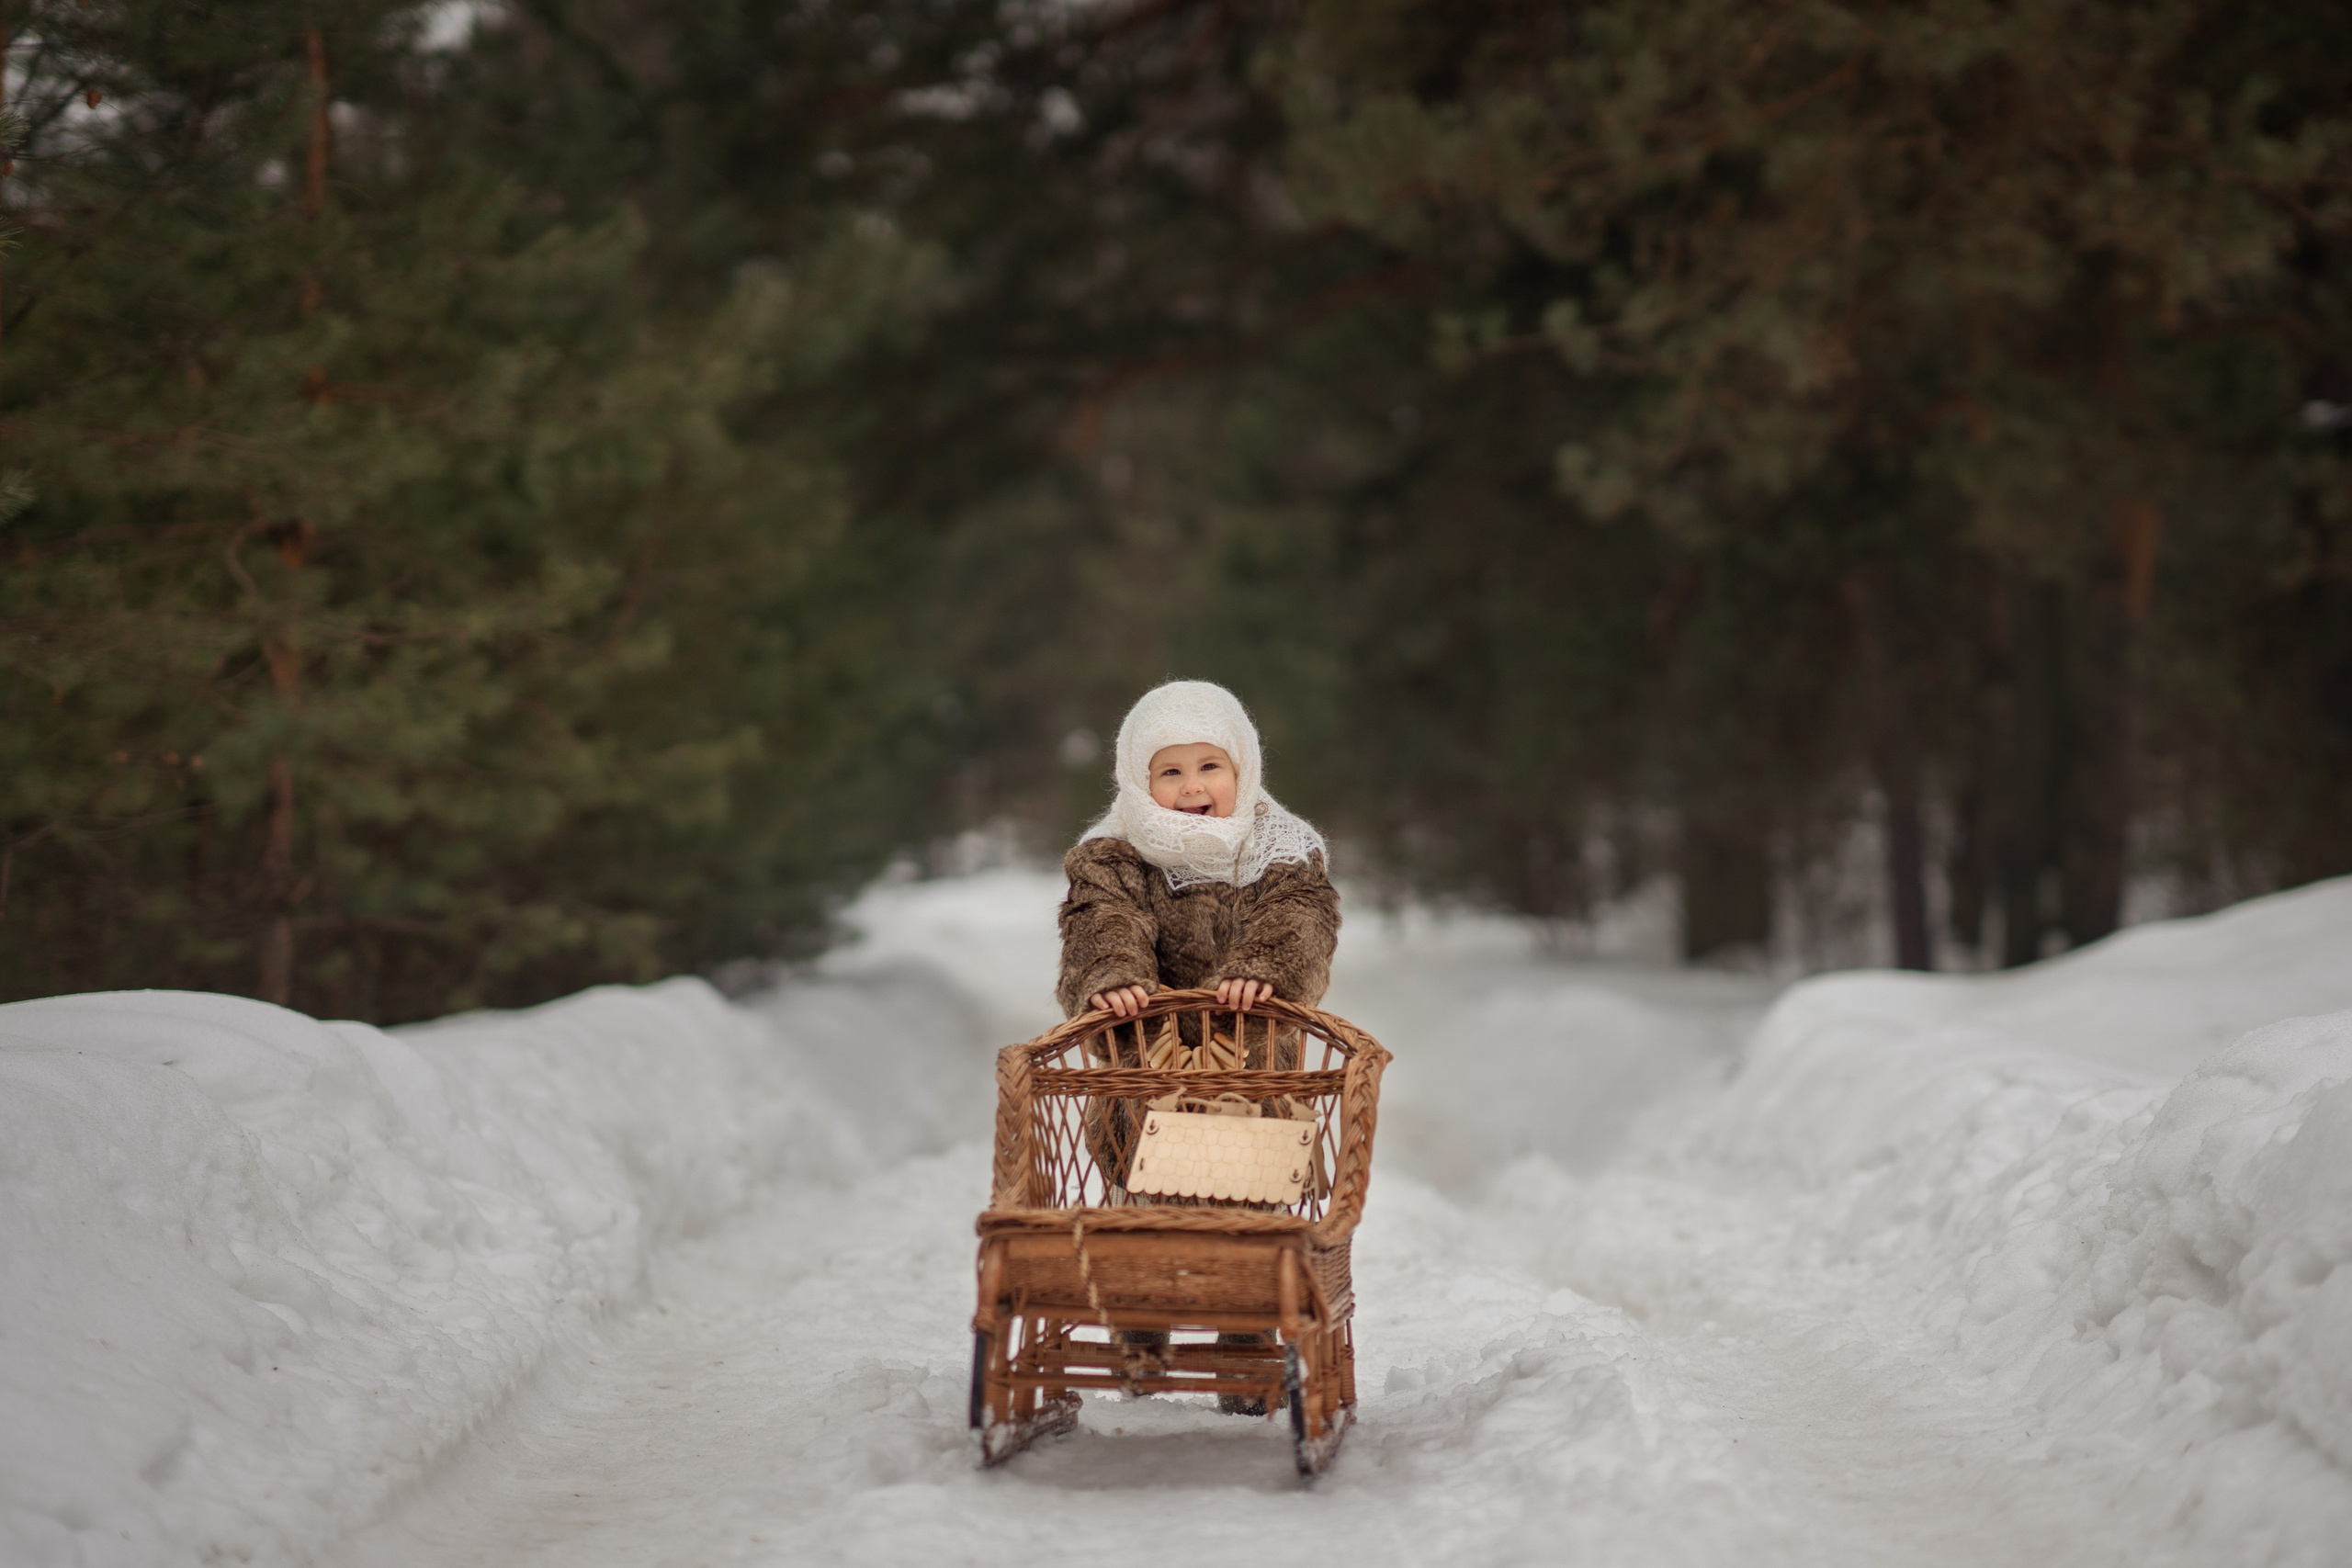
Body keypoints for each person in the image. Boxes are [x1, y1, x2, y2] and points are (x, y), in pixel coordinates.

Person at [1054, 679, 1340, 1414]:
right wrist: (1114, 974)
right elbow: (1102, 919)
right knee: (1144, 1189)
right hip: (1146, 1064)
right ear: (1139, 780)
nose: (1192, 787)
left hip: (1251, 1058)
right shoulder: (1113, 854)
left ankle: (1245, 1339)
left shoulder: (1281, 852)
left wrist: (1265, 969)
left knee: (1250, 1191)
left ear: (1242, 768)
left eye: (1210, 766)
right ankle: (1141, 1321)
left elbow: (1302, 921)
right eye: (1169, 771)